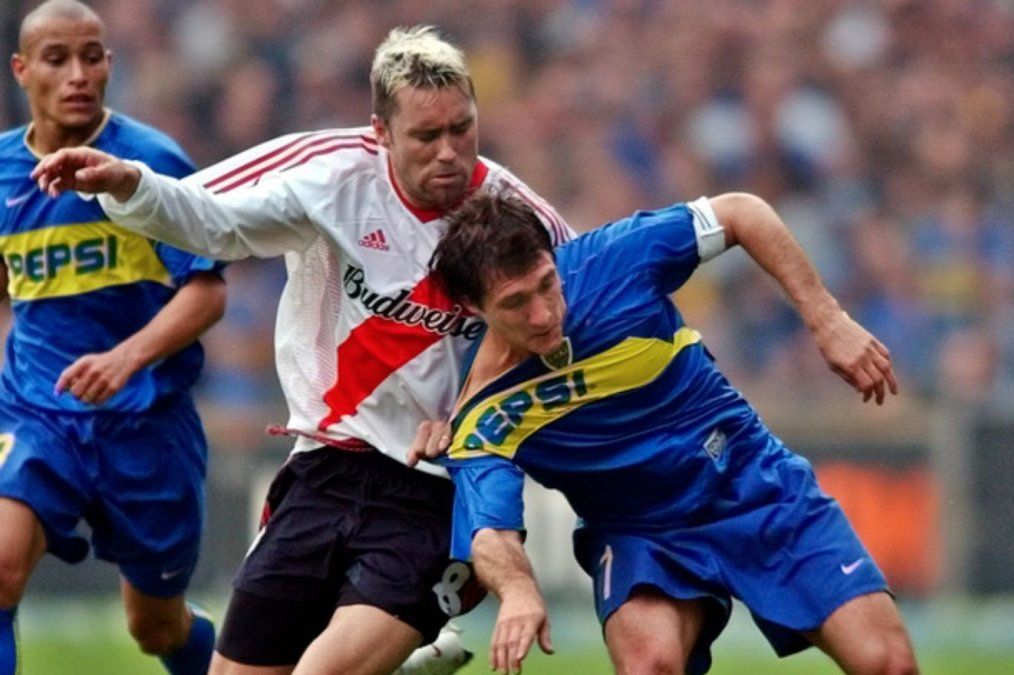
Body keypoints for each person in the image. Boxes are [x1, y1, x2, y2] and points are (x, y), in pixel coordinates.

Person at [32, 24, 572, 675]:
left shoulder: (519, 217)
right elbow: (210, 218)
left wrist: (477, 419)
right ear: (381, 132)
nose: (449, 153)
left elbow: (578, 332)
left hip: (435, 489)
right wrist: (128, 185)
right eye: (427, 136)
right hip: (322, 467)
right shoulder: (328, 173)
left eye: (463, 129)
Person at [421, 190, 919, 675]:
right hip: (638, 530)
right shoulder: (482, 415)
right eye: (515, 303)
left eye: (546, 284)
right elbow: (490, 534)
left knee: (888, 664)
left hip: (749, 480)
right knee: (649, 666)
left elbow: (741, 213)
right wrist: (518, 591)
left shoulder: (615, 258)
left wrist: (826, 318)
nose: (543, 313)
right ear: (473, 307)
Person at [0, 2, 225, 674]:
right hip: (37, 411)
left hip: (145, 424)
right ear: (22, 71)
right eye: (57, 58)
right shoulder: (2, 173)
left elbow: (208, 291)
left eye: (91, 57)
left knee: (155, 627)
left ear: (110, 65)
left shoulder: (152, 161)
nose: (78, 74)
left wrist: (127, 358)